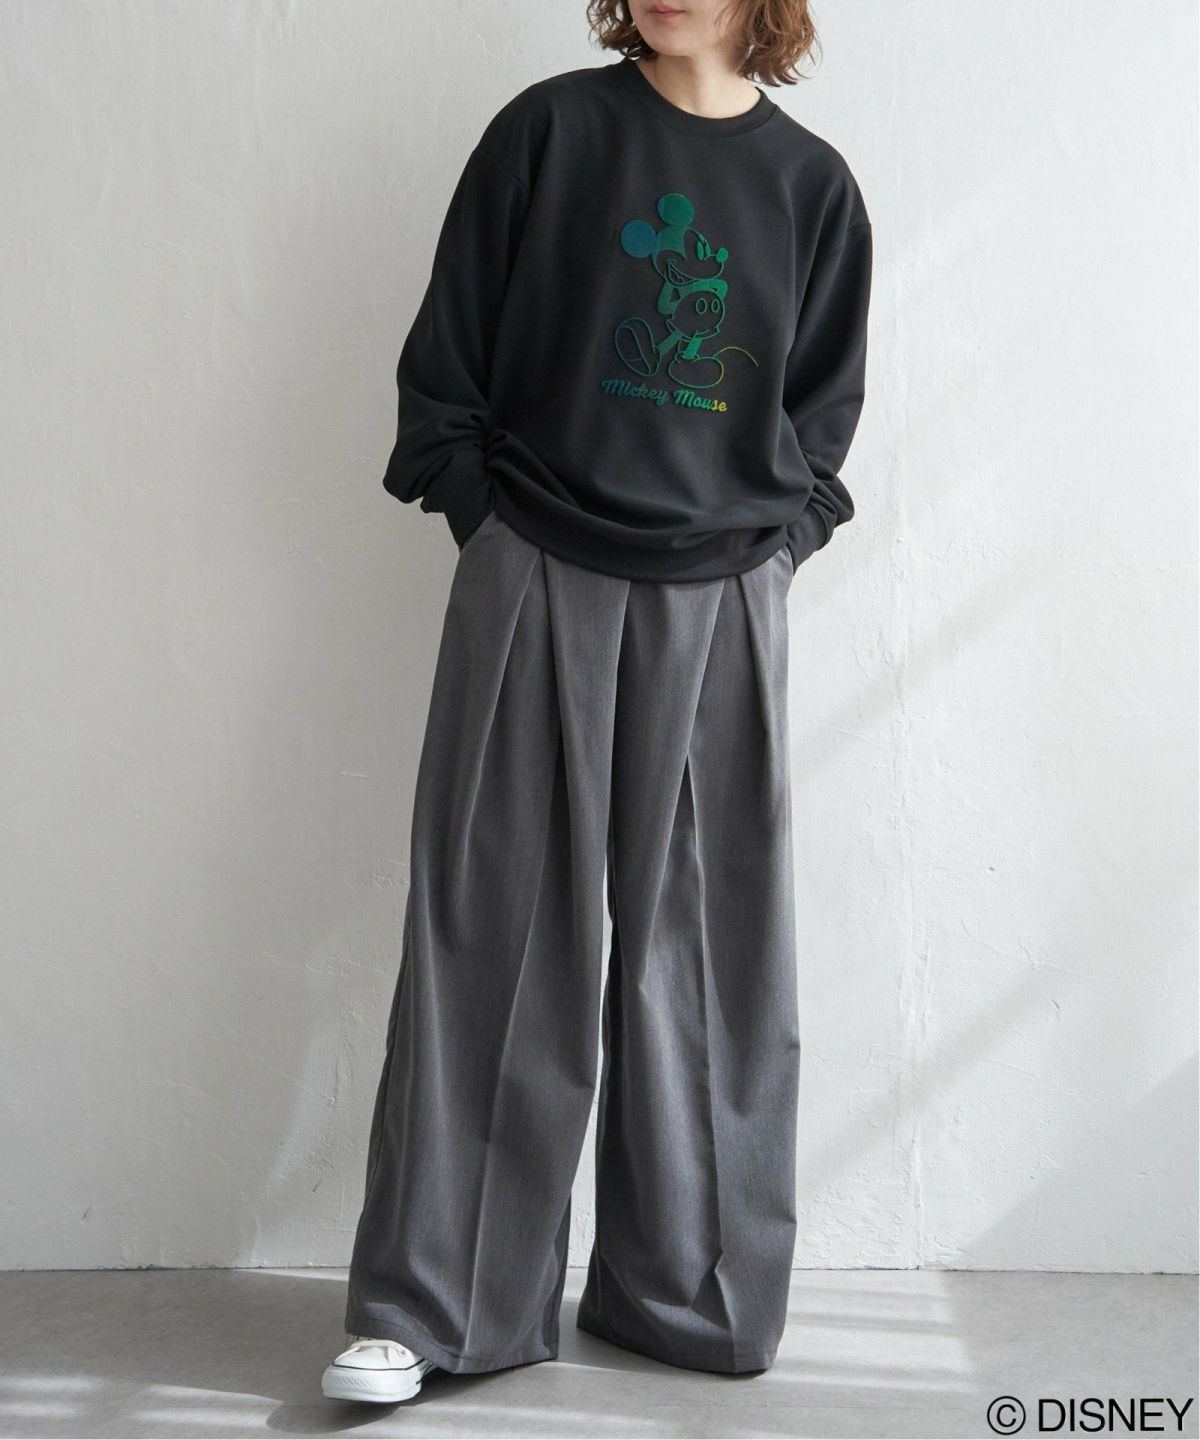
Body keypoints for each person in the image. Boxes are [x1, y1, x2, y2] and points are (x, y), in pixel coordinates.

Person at [321, 0, 872, 1404]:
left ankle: (691, 1295)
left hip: (723, 598)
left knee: (711, 955)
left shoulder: (812, 187)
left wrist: (777, 552)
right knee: (490, 934)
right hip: (537, 566)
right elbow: (445, 363)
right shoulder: (549, 135)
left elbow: (821, 422)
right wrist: (487, 521)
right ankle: (437, 1307)